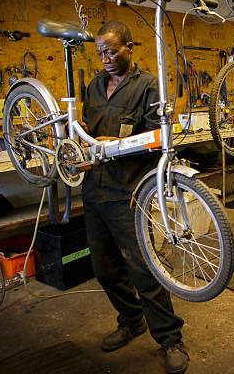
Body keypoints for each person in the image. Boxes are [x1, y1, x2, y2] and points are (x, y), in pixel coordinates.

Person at [81, 21, 189, 374]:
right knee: (105, 269)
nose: (105, 59)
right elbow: (85, 129)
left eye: (112, 51)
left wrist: (118, 145)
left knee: (144, 270)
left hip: (128, 193)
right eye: (100, 53)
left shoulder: (147, 87)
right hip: (94, 190)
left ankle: (170, 338)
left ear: (130, 48)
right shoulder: (94, 86)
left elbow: (158, 137)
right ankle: (131, 320)